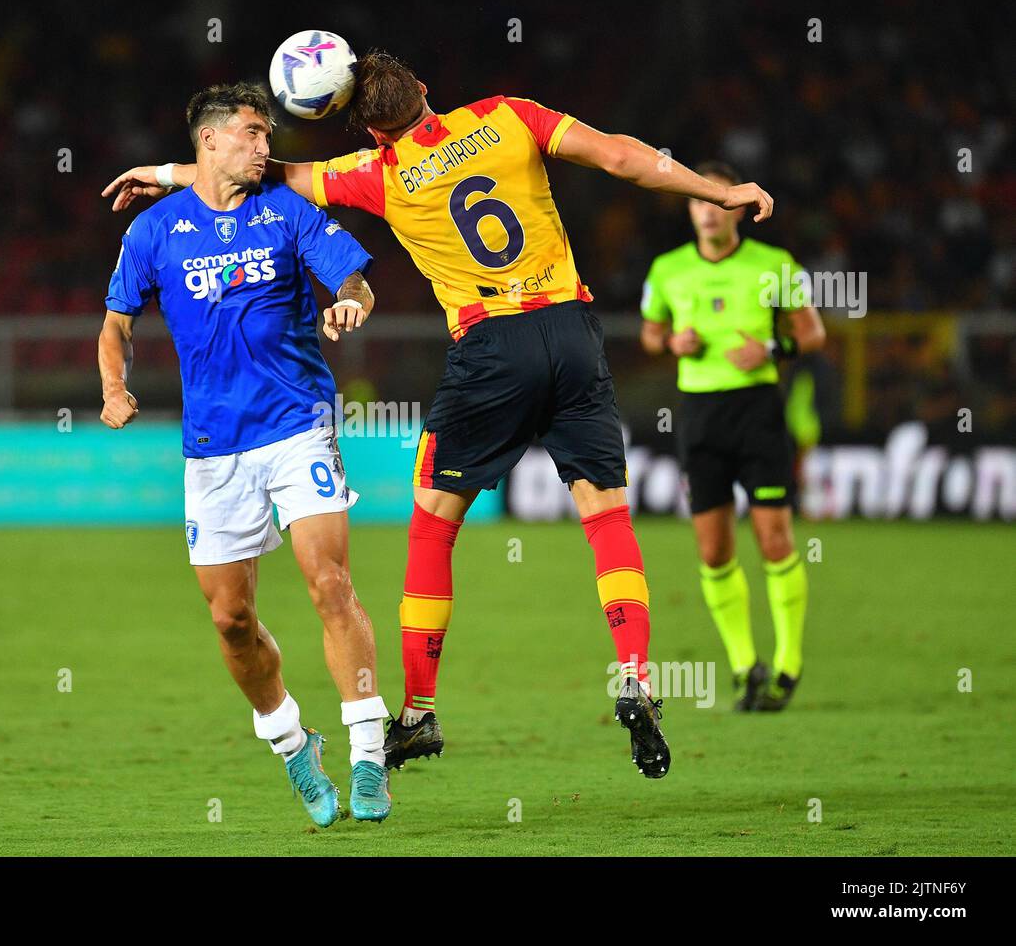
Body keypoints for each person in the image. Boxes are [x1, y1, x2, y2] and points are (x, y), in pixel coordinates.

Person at [103, 52, 776, 779]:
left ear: (367, 128)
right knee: (607, 516)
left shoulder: (381, 172)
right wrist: (720, 188)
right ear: (426, 89)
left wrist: (171, 174)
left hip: (490, 348)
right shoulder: (506, 114)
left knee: (433, 524)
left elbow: (271, 180)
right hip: (573, 332)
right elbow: (619, 156)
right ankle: (637, 678)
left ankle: (420, 712)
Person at [98, 82, 391, 825]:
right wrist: (112, 388)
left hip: (297, 425)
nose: (267, 145)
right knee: (231, 618)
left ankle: (367, 751)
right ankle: (293, 743)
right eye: (255, 133)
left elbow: (351, 274)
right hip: (213, 448)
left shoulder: (287, 212)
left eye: (267, 133)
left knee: (329, 581)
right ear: (211, 142)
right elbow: (117, 326)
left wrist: (352, 297)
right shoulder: (155, 232)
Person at [638, 160, 826, 710]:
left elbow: (811, 334)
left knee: (774, 540)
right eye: (700, 201)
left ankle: (788, 663)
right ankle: (746, 666)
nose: (709, 212)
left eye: (720, 202)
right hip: (699, 417)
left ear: (738, 209)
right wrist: (673, 343)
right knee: (714, 549)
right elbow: (650, 334)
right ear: (691, 208)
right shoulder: (668, 269)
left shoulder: (775, 264)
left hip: (758, 412)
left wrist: (770, 350)